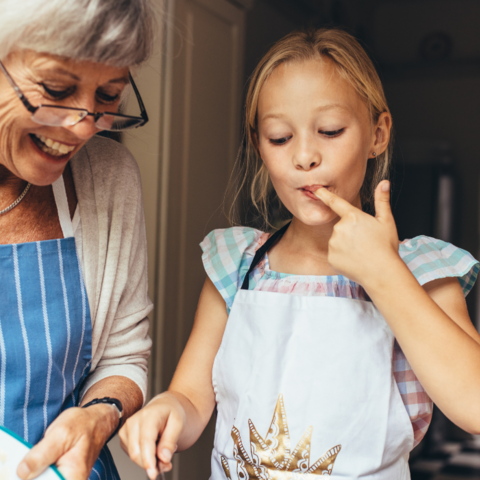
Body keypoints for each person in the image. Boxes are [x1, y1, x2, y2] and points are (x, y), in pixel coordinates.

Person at [120, 29, 480, 479]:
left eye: (330, 131)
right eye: (279, 137)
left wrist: (386, 274)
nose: (304, 156)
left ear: (378, 134)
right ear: (258, 146)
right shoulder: (236, 266)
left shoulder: (423, 271)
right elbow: (192, 398)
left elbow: (474, 406)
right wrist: (167, 409)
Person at [0, 1, 155, 479]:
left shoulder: (110, 179)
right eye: (58, 88)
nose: (84, 125)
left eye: (109, 96)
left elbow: (125, 354)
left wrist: (99, 414)